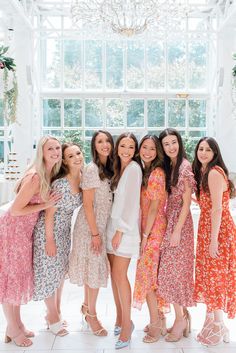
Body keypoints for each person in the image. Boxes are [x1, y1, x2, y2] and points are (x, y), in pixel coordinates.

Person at [0, 135, 62, 347]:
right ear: (42, 153)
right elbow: (16, 210)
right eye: (50, 149)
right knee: (11, 279)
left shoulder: (46, 174)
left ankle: (15, 325)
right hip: (13, 231)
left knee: (17, 277)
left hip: (22, 232)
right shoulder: (35, 176)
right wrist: (44, 206)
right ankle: (12, 328)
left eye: (57, 148)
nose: (55, 152)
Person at [33, 142, 83, 337]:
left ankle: (57, 312)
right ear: (64, 161)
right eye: (70, 156)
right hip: (48, 232)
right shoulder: (61, 183)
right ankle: (52, 317)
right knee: (48, 274)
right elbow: (49, 213)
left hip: (64, 232)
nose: (76, 158)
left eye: (78, 153)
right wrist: (49, 239)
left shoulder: (81, 177)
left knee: (59, 275)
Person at [69, 130, 114, 337]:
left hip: (101, 226)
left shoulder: (110, 168)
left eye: (107, 141)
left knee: (91, 269)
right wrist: (95, 234)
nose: (105, 144)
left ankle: (87, 308)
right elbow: (87, 205)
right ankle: (92, 315)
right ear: (94, 146)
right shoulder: (92, 169)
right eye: (99, 141)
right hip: (89, 228)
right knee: (93, 270)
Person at [192, 137, 236, 346]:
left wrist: (213, 241)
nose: (203, 153)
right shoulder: (206, 172)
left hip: (216, 231)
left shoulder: (213, 173)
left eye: (208, 150)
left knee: (215, 276)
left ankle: (218, 326)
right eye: (200, 149)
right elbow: (209, 204)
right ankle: (218, 325)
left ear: (215, 152)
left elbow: (217, 209)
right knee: (211, 276)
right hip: (210, 229)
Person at [157, 128, 195, 342]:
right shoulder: (171, 165)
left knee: (175, 274)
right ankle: (182, 317)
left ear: (179, 143)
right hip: (171, 221)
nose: (171, 147)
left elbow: (187, 202)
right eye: (167, 144)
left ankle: (180, 319)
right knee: (170, 274)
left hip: (180, 224)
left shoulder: (185, 167)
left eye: (174, 142)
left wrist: (177, 230)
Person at [106, 132, 142, 350]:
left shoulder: (134, 169)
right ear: (117, 147)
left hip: (124, 230)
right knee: (114, 276)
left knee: (120, 275)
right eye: (123, 146)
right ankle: (120, 318)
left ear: (135, 150)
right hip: (113, 227)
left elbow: (131, 204)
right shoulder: (119, 168)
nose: (126, 150)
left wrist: (120, 230)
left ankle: (127, 325)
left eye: (131, 147)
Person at [133, 134, 168, 343]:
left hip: (153, 229)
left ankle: (155, 323)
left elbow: (155, 206)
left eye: (152, 149)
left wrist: (145, 235)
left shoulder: (156, 173)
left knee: (145, 276)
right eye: (144, 147)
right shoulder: (144, 171)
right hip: (149, 227)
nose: (147, 152)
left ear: (157, 153)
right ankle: (160, 320)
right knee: (152, 277)